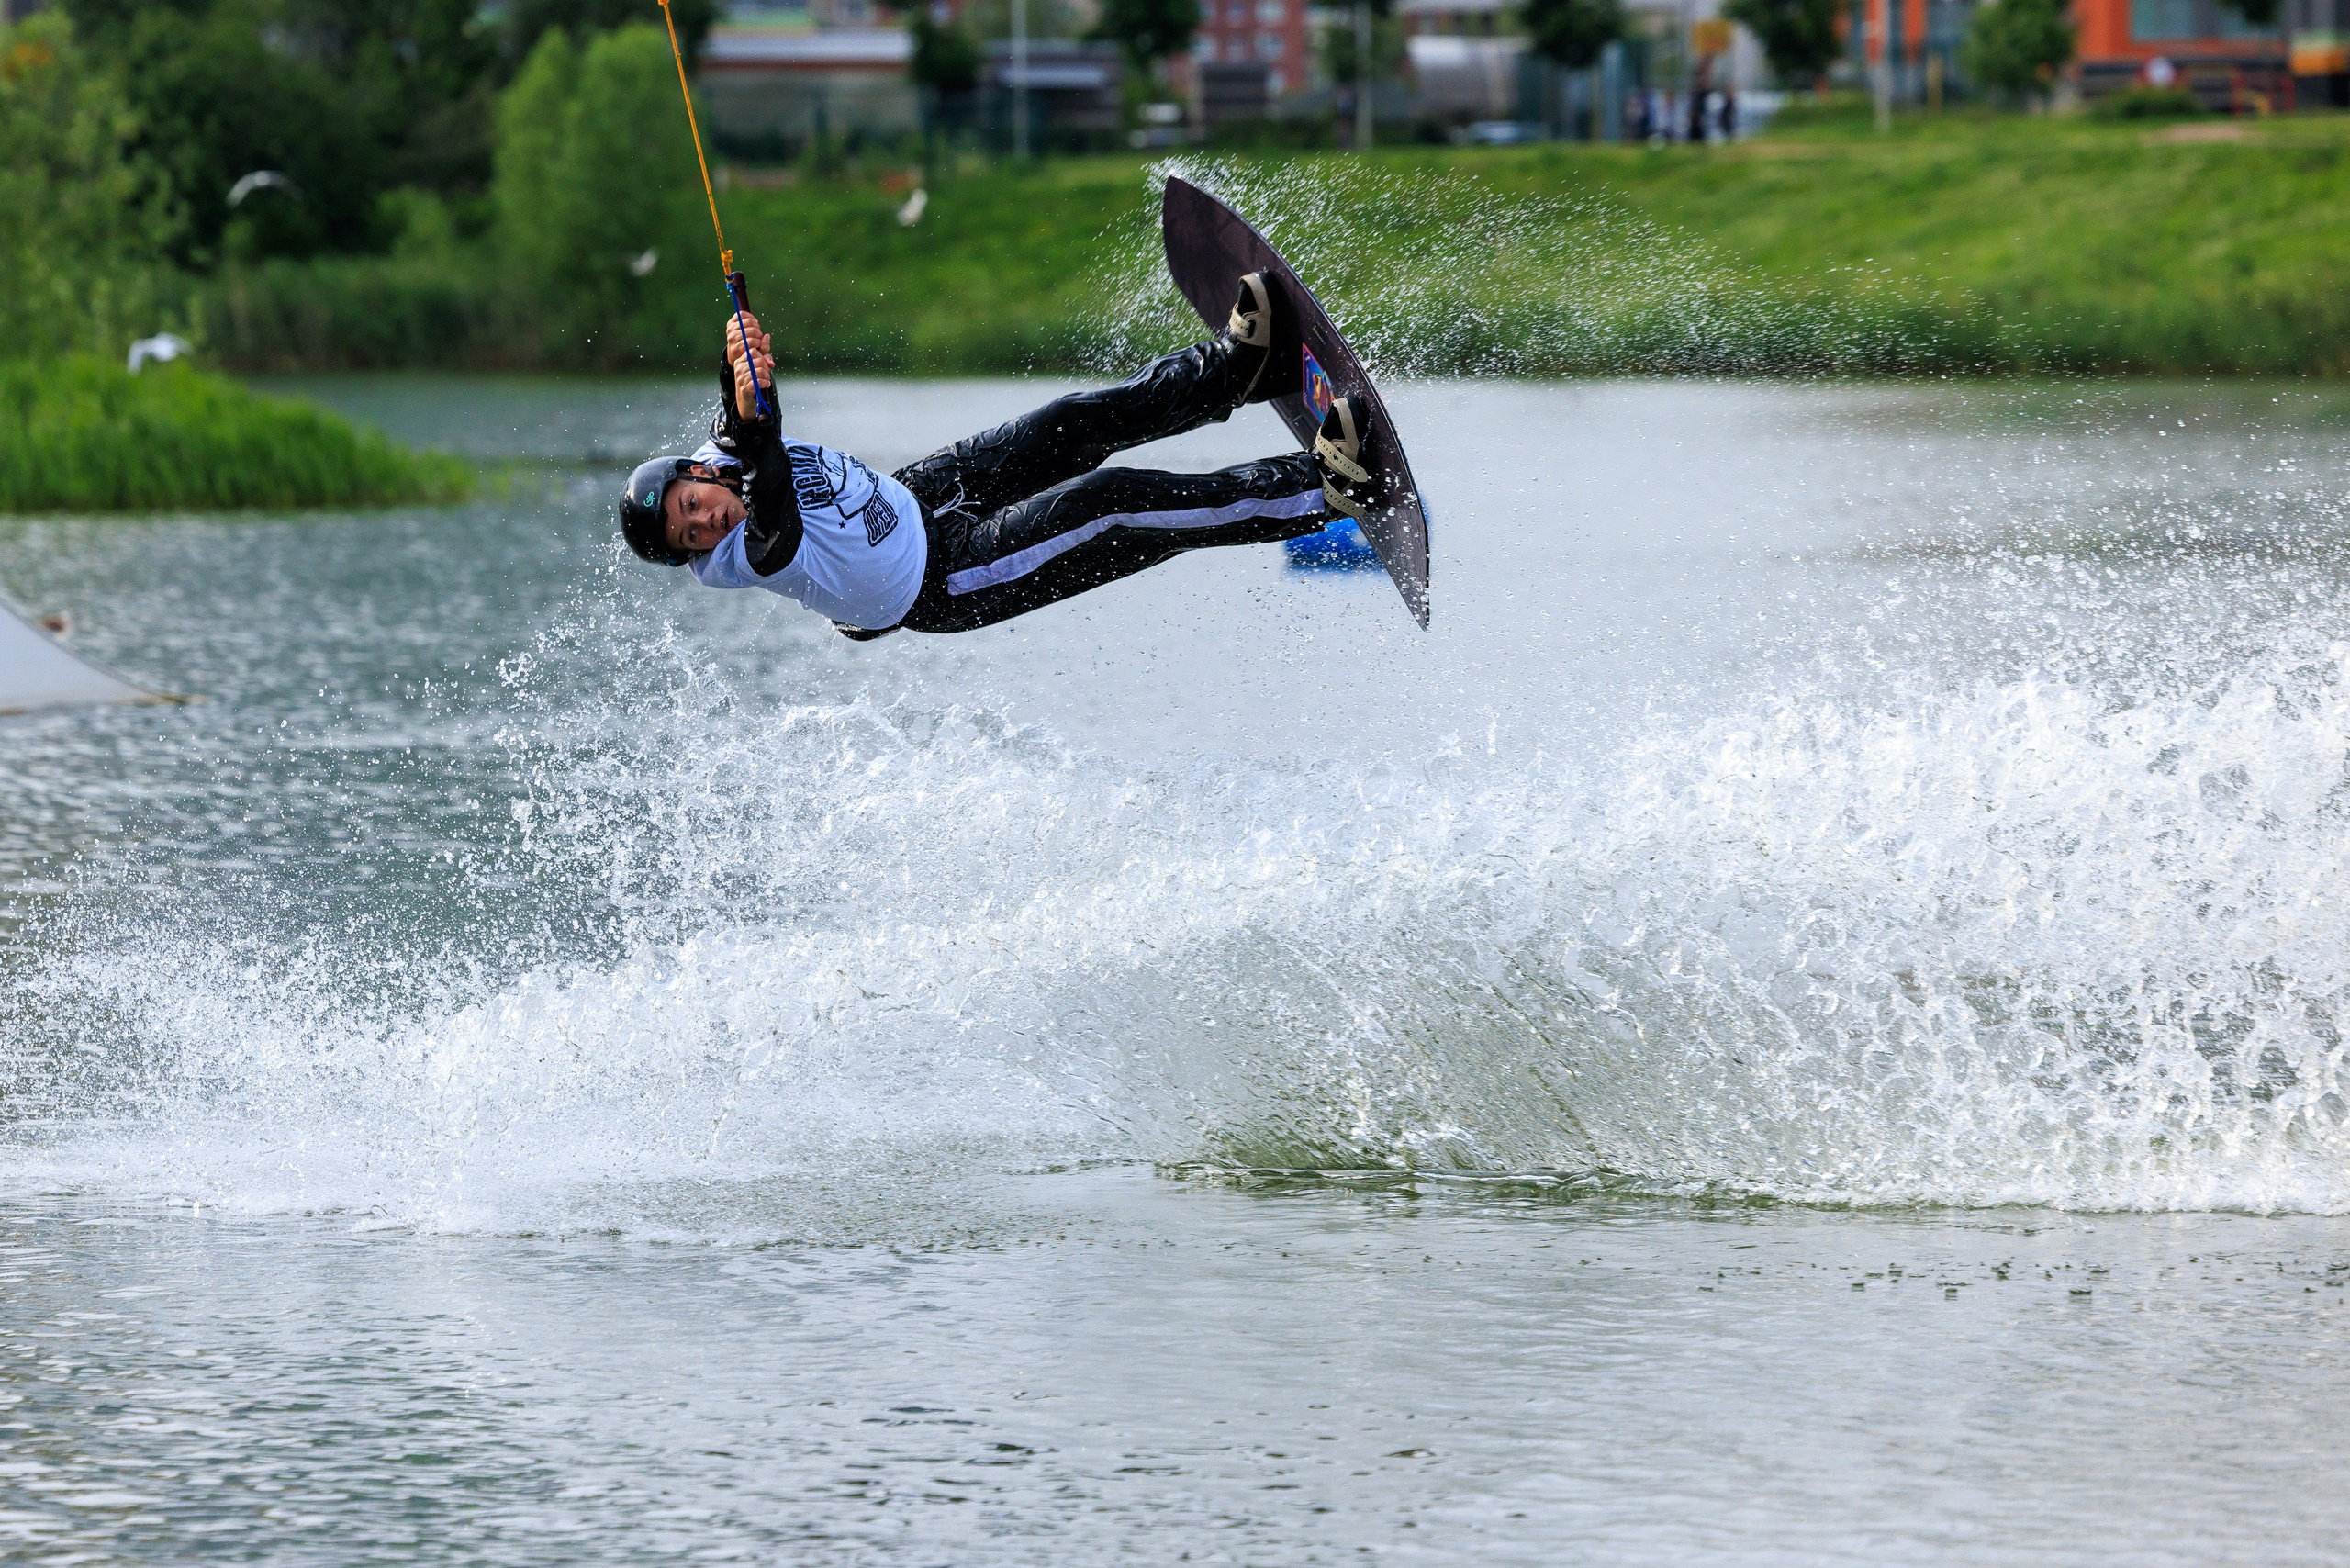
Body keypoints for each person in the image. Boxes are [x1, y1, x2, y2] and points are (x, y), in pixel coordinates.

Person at [615, 275, 1375, 639]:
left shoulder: (719, 456)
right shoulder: (744, 556)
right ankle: (1320, 492)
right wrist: (761, 414)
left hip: (918, 492)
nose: (705, 524)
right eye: (692, 538)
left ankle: (1232, 373)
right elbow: (775, 493)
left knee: (1070, 422)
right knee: (1112, 505)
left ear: (695, 476)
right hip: (943, 579)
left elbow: (741, 419)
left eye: (692, 508)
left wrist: (738, 359)